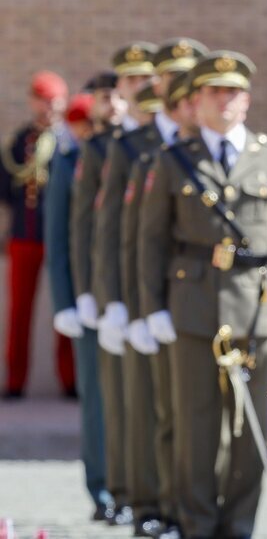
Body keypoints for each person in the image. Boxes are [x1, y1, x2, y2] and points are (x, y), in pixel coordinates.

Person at [138, 50, 267, 538]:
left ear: (247, 100)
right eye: (215, 92)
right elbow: (150, 241)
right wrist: (152, 310)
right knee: (196, 429)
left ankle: (239, 526)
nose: (225, 100)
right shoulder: (172, 161)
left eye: (233, 92)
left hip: (255, 310)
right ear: (197, 101)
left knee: (249, 432)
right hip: (191, 312)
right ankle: (197, 524)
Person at [94, 38, 207, 539]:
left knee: (188, 412)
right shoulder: (130, 145)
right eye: (169, 75)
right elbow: (111, 230)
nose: (175, 84)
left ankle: (185, 507)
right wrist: (114, 301)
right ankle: (149, 505)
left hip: (194, 297)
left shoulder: (202, 139)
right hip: (144, 298)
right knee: (149, 411)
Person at [71, 41, 156, 528]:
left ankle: (143, 492)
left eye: (144, 80)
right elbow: (80, 227)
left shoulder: (161, 140)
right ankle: (109, 489)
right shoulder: (98, 148)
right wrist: (82, 293)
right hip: (107, 295)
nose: (136, 88)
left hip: (152, 295)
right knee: (108, 402)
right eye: (128, 81)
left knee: (149, 403)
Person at [43, 90, 114, 523]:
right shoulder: (68, 162)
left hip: (131, 301)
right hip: (88, 299)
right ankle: (101, 487)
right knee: (98, 402)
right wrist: (65, 300)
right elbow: (58, 238)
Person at [1, 71, 72, 398]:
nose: (47, 108)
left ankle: (69, 381)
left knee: (66, 312)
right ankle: (15, 381)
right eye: (42, 101)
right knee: (19, 312)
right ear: (33, 102)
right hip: (25, 236)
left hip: (61, 240)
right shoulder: (20, 141)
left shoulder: (70, 141)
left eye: (53, 102)